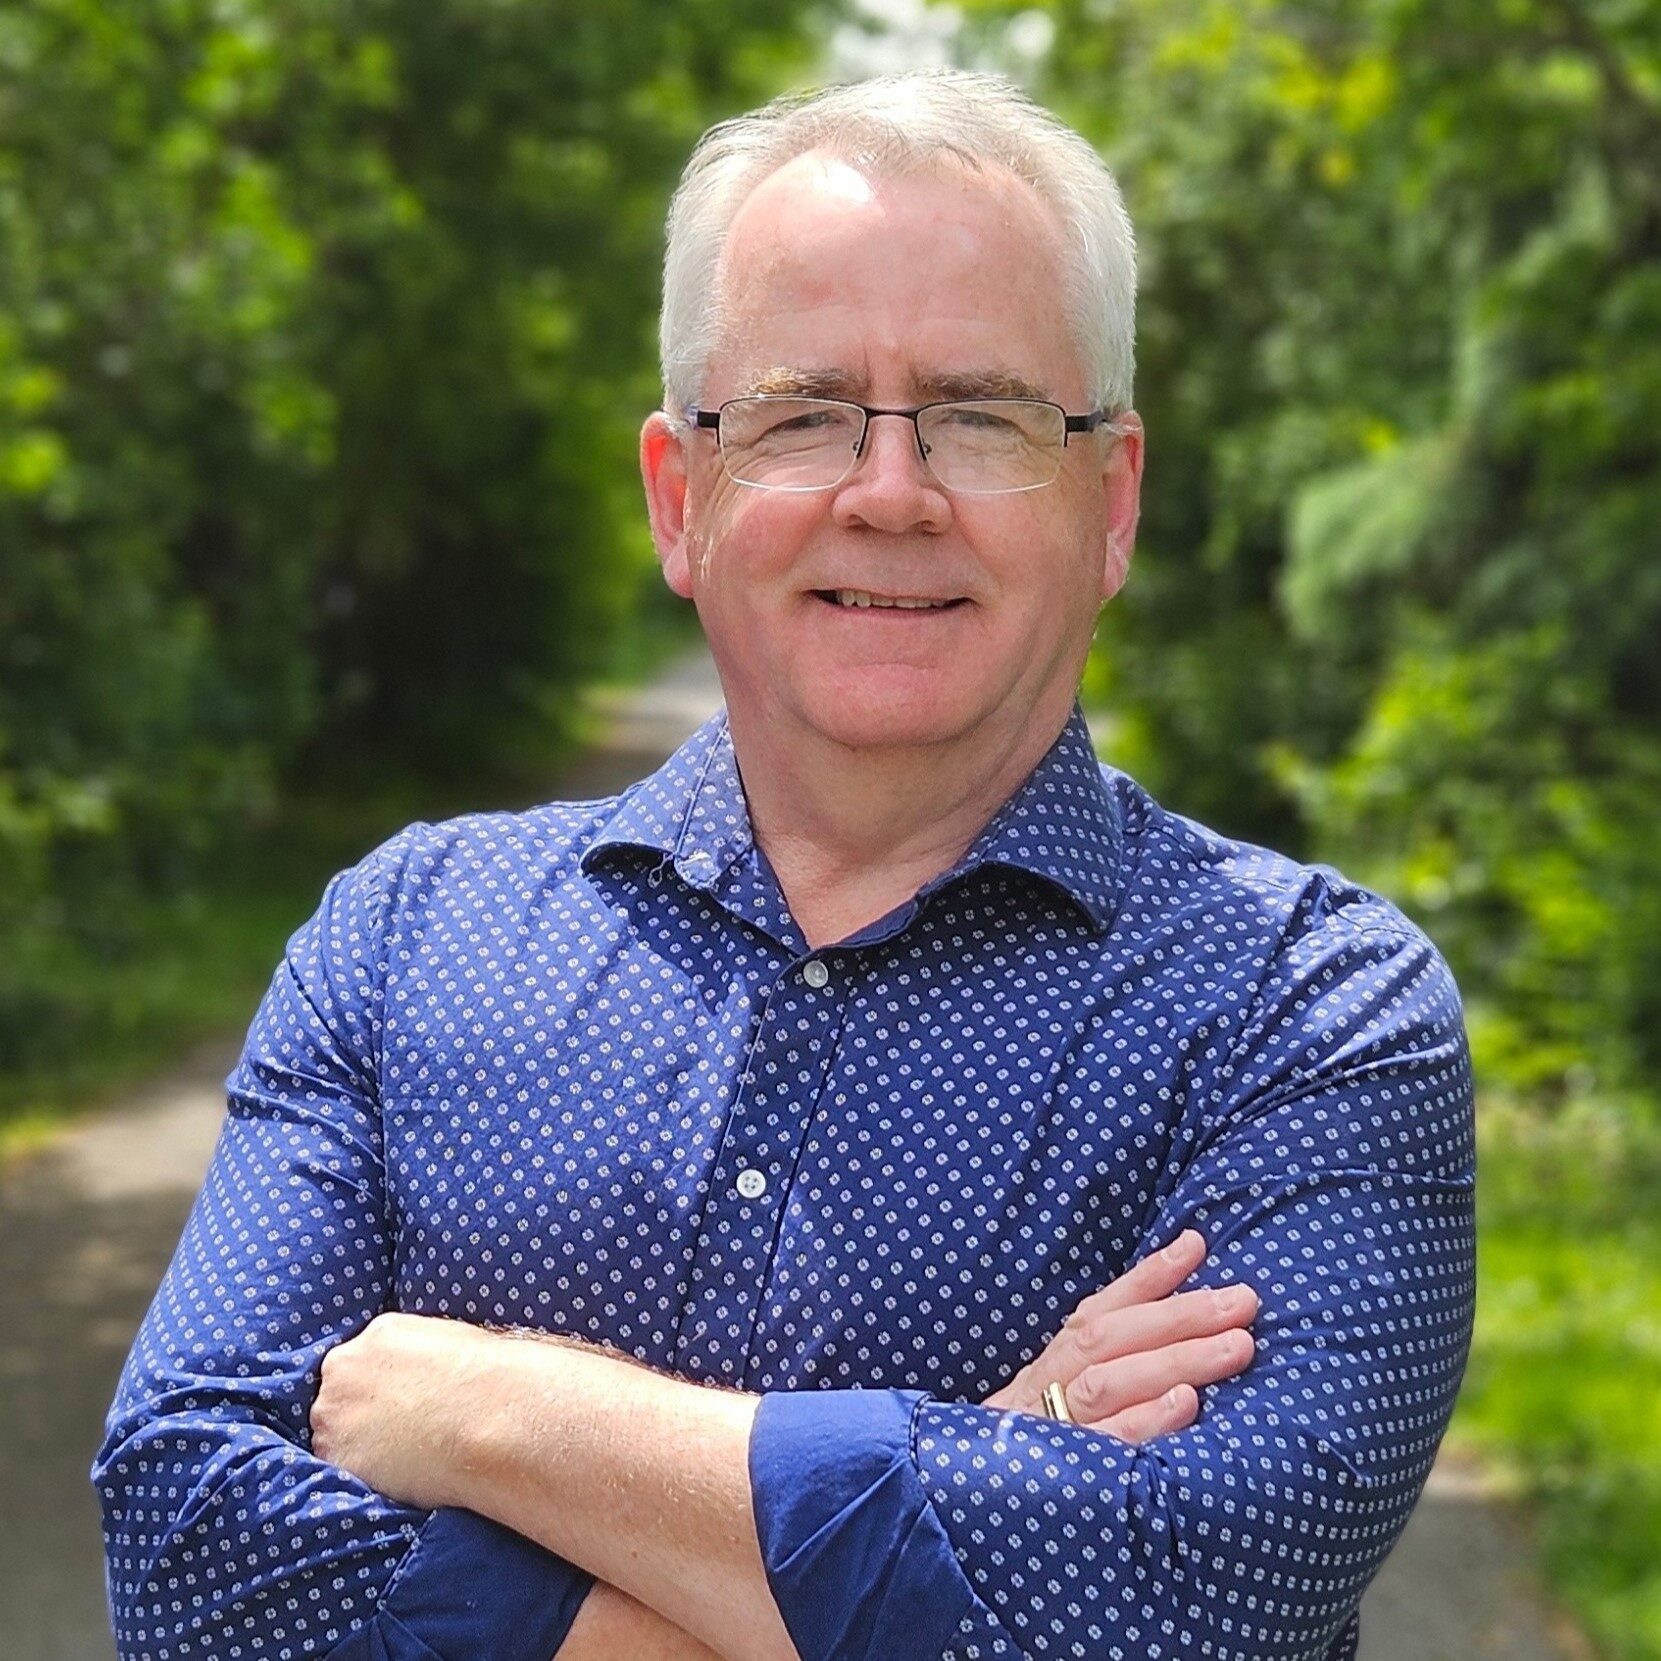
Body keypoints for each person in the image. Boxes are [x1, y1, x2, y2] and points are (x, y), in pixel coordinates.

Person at [93, 67, 1475, 1661]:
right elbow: (187, 1554)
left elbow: (1202, 1601)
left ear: (1113, 501)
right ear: (681, 500)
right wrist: (980, 1469)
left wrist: (494, 1414)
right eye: (804, 414)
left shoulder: (1307, 1006)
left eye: (981, 415)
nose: (890, 492)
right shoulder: (402, 937)